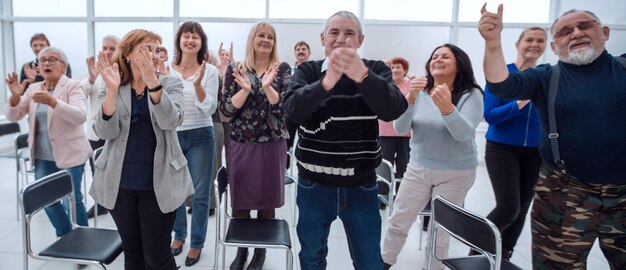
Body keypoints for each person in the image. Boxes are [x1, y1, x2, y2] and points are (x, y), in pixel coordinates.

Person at [479, 4, 626, 270]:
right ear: (556, 46)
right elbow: (501, 85)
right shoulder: (544, 77)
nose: (576, 33)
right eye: (565, 31)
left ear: (604, 32)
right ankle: (487, 252)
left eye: (585, 26)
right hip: (565, 192)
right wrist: (492, 42)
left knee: (519, 208)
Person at [283, 11, 408, 270]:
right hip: (313, 185)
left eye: (349, 33)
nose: (341, 39)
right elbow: (292, 109)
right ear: (323, 39)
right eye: (334, 32)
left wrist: (362, 76)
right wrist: (325, 83)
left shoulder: (375, 69)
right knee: (312, 257)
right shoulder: (308, 70)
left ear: (360, 40)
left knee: (369, 261)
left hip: (361, 186)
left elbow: (393, 109)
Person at [90, 29, 193, 270]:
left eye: (157, 49)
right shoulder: (112, 85)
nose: (154, 55)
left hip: (159, 184)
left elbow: (171, 121)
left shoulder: (171, 83)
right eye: (146, 48)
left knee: (157, 256)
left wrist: (153, 84)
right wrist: (112, 91)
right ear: (126, 54)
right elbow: (105, 133)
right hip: (119, 184)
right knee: (133, 251)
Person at [381, 44, 484, 270]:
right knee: (399, 220)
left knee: (440, 230)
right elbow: (400, 128)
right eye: (435, 56)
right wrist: (410, 99)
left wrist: (447, 108)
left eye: (445, 57)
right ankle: (383, 263)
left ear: (459, 64)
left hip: (456, 173)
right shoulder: (420, 91)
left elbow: (463, 134)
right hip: (418, 166)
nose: (438, 60)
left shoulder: (471, 95)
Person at [219, 21, 291, 270]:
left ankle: (260, 253)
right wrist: (246, 91)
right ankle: (241, 252)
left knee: (266, 201)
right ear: (252, 38)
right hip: (242, 143)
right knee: (240, 201)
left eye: (270, 37)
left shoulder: (281, 69)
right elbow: (226, 111)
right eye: (261, 35)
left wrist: (268, 87)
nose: (266, 40)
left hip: (271, 144)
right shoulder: (235, 68)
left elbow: (283, 110)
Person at [5, 47, 91, 237]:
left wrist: (54, 102)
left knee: (73, 200)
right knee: (46, 198)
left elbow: (80, 116)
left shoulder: (73, 86)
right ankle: (65, 234)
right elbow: (13, 115)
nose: (45, 64)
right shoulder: (35, 88)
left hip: (71, 155)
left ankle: (84, 241)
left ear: (63, 65)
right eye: (41, 61)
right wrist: (15, 97)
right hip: (43, 156)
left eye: (51, 60)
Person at [481, 27, 546, 260]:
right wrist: (519, 103)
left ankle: (503, 256)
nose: (534, 44)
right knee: (508, 207)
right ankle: (477, 249)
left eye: (540, 40)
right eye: (529, 39)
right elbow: (490, 116)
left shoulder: (544, 76)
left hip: (535, 152)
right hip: (502, 148)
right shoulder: (501, 74)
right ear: (518, 44)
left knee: (522, 208)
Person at [168, 21, 219, 267]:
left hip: (201, 134)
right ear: (179, 40)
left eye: (195, 37)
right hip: (173, 134)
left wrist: (197, 85)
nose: (190, 40)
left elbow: (210, 107)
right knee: (177, 190)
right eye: (186, 36)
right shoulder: (167, 69)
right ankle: (179, 236)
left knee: (199, 193)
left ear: (201, 43)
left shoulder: (209, 70)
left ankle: (197, 243)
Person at [82, 35, 120, 219]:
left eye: (112, 48)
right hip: (95, 131)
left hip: (114, 130)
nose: (107, 52)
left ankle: (116, 201)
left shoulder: (123, 72)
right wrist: (91, 78)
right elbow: (82, 92)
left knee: (115, 168)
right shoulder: (94, 73)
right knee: (96, 168)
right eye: (105, 48)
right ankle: (101, 202)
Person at [378, 57, 411, 179]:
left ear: (405, 71)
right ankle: (382, 197)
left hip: (405, 134)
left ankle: (402, 196)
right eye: (392, 67)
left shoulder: (412, 86)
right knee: (383, 170)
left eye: (398, 67)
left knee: (405, 169)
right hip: (385, 133)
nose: (395, 70)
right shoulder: (384, 85)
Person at [285, 41, 311, 163]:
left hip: (308, 113)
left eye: (303, 49)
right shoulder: (288, 71)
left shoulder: (314, 71)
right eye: (298, 49)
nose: (300, 51)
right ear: (295, 53)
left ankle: (303, 166)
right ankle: (284, 170)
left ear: (309, 53)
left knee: (306, 143)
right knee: (286, 144)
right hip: (291, 112)